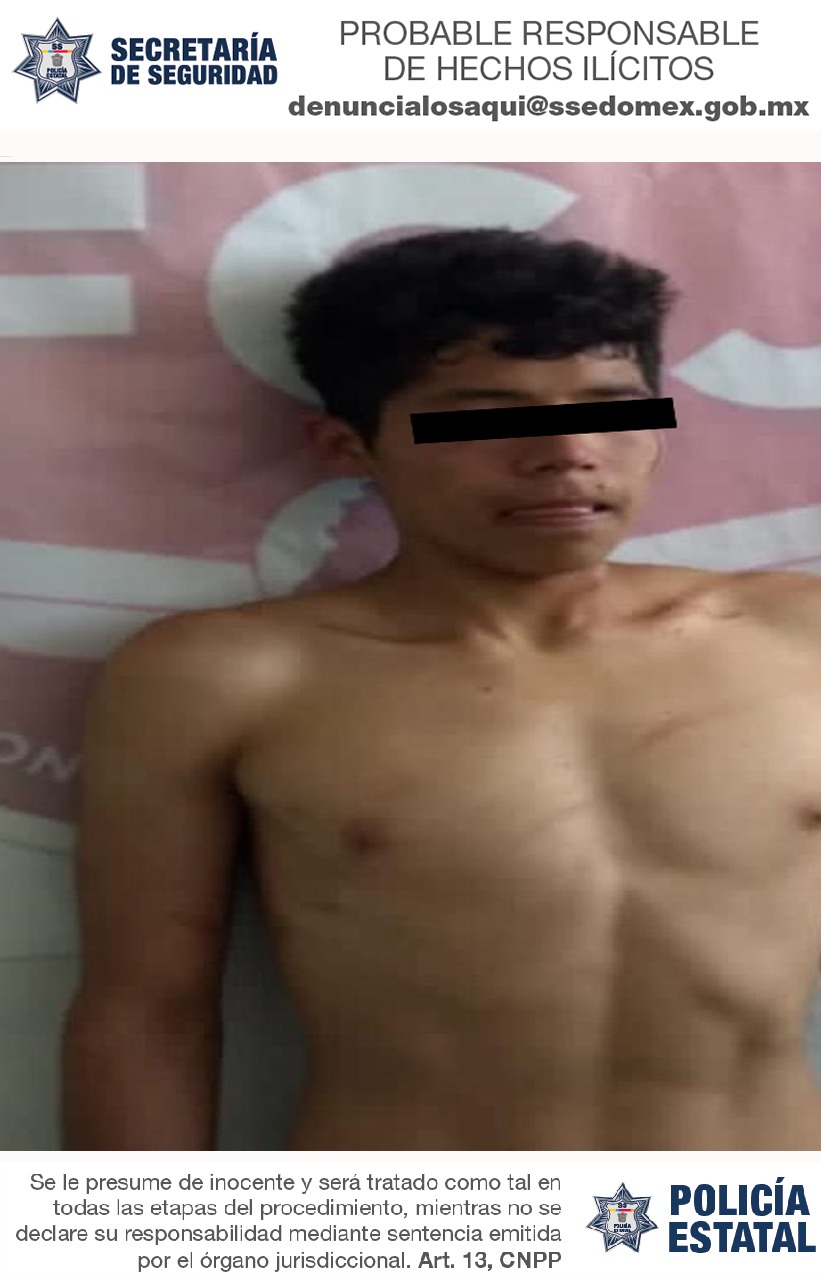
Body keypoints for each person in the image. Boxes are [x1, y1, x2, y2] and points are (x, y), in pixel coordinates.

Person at [61, 228, 821, 1151]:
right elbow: (148, 1019)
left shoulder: (799, 638)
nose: (566, 453)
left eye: (614, 411)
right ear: (347, 445)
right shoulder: (222, 678)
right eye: (484, 420)